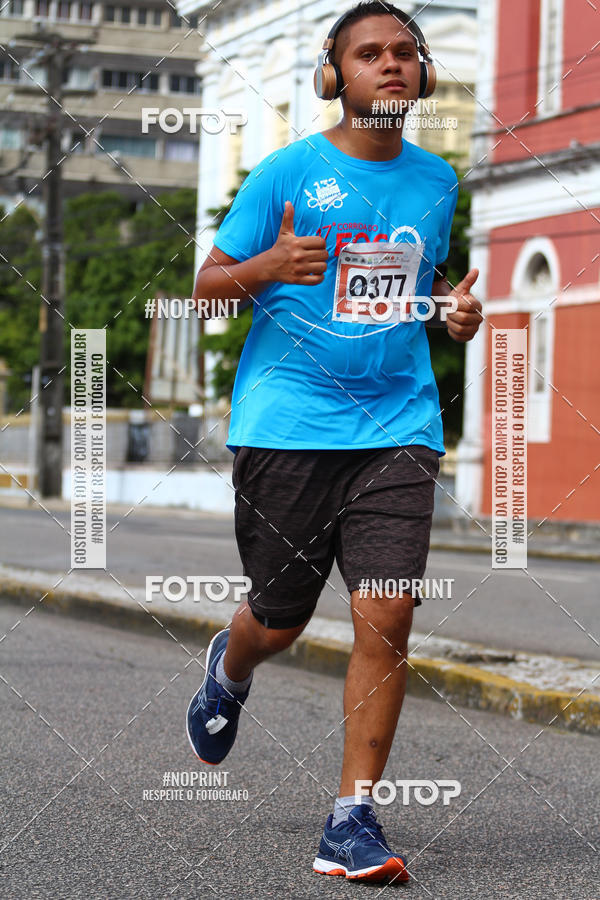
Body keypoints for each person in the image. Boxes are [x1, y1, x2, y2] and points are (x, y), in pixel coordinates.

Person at [186, 1, 482, 884]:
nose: (391, 64)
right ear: (334, 75)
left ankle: (352, 818)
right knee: (279, 620)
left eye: (405, 52)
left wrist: (453, 310)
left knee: (387, 613)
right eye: (369, 53)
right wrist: (267, 268)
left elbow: (421, 276)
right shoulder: (285, 172)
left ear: (423, 74)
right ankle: (232, 664)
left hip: (398, 424)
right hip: (288, 425)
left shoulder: (437, 181)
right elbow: (205, 287)